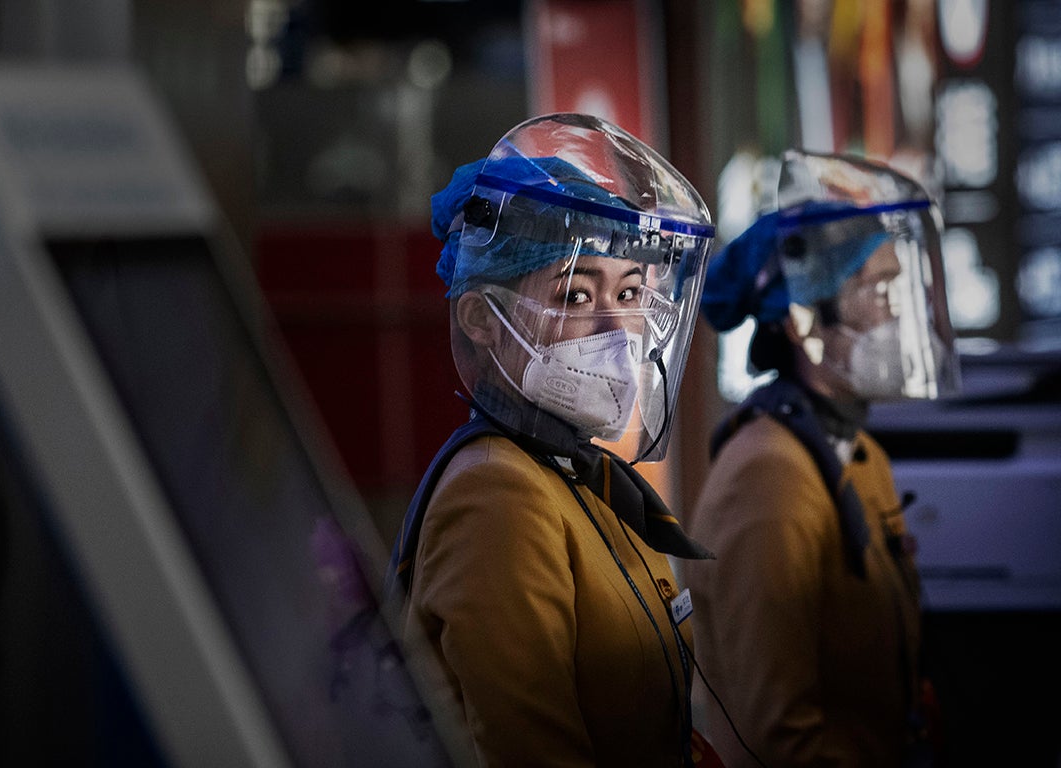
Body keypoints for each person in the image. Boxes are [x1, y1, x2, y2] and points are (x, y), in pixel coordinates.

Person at [384, 113, 721, 767]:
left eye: (628, 292)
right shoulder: (498, 495)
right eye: (574, 295)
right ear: (482, 318)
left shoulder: (575, 475)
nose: (616, 329)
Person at [685, 149, 960, 768]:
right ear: (803, 318)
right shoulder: (769, 478)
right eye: (873, 285)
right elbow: (782, 738)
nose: (895, 305)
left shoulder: (856, 454)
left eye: (896, 281)